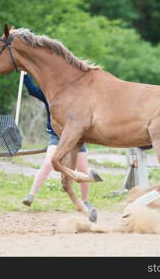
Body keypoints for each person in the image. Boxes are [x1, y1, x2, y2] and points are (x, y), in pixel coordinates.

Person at [21, 73, 96, 221]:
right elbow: (32, 90)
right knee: (48, 163)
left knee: (83, 170)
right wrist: (25, 76)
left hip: (76, 137)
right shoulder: (50, 94)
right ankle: (31, 195)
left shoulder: (76, 96)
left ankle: (85, 201)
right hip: (56, 136)